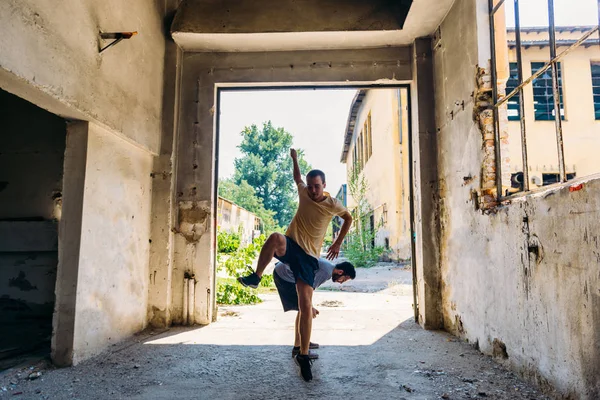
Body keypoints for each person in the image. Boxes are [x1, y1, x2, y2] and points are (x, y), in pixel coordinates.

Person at [238, 148, 353, 381]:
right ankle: (256, 277)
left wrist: (338, 242)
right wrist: (294, 159)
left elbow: (349, 218)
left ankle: (303, 354)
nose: (311, 190)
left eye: (316, 186)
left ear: (324, 185)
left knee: (305, 305)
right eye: (310, 186)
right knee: (274, 238)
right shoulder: (303, 192)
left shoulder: (333, 204)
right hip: (291, 245)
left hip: (309, 258)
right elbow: (297, 178)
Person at [273, 258, 356, 360]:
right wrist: (310, 306)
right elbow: (307, 288)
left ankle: (304, 340)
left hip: (284, 272)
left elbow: (308, 289)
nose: (341, 282)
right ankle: (299, 348)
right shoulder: (326, 272)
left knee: (303, 310)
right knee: (305, 311)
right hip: (284, 276)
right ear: (340, 272)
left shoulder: (328, 269)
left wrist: (309, 305)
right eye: (344, 279)